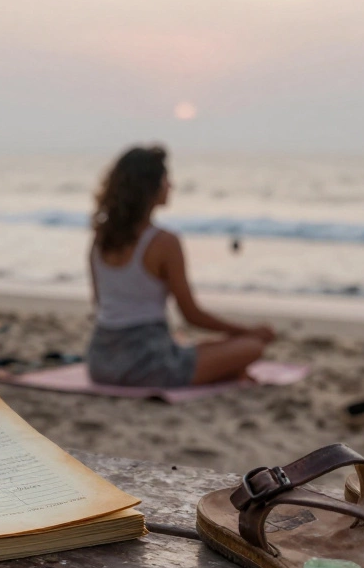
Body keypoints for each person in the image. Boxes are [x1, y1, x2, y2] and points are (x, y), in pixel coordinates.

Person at [86, 145, 276, 387]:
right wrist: (246, 332)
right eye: (166, 179)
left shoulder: (99, 240)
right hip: (148, 366)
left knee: (197, 346)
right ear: (150, 188)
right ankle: (228, 369)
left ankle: (224, 367)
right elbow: (191, 315)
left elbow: (101, 305)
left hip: (100, 363)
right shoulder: (164, 242)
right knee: (252, 347)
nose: (171, 185)